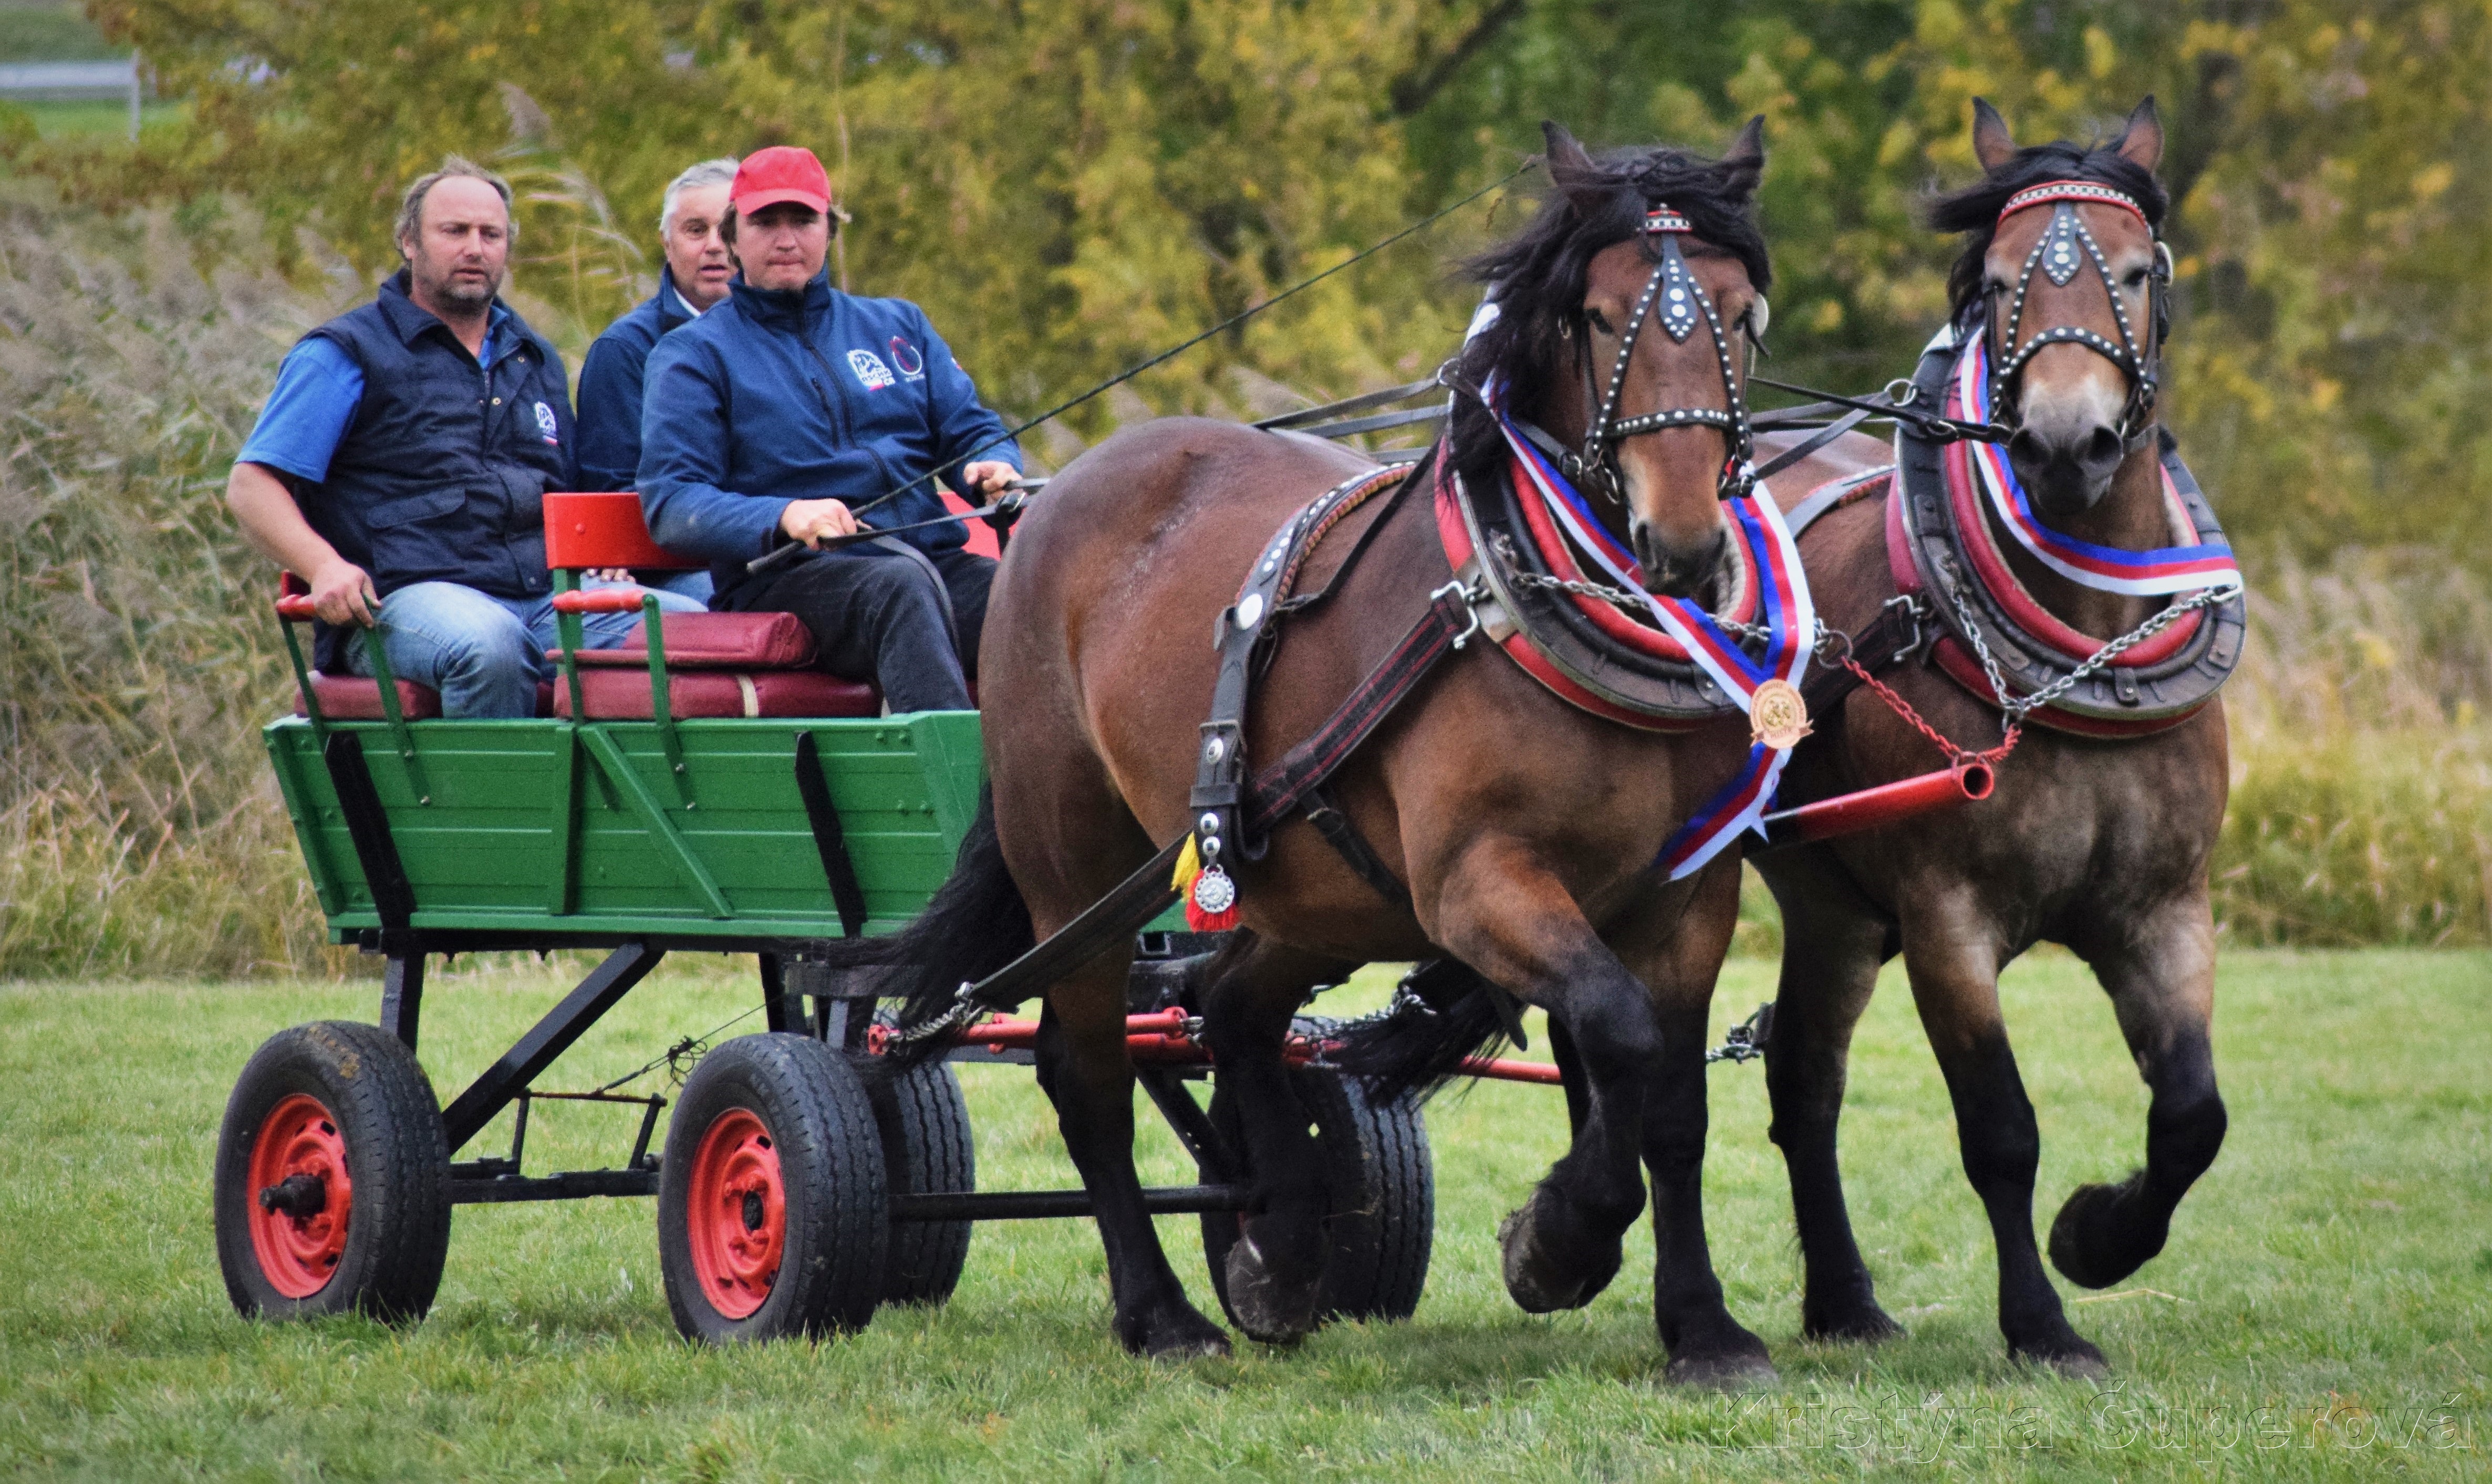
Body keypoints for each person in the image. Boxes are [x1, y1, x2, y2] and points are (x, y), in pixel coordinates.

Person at [225, 156, 701, 718]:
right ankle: (489, 808)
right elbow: (251, 486)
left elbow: (569, 494)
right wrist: (324, 566)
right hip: (400, 603)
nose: (475, 248)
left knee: (698, 631)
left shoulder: (534, 356)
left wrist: (603, 558)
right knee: (491, 644)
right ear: (409, 242)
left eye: (490, 234)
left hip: (543, 597)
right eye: (454, 232)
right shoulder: (346, 353)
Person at [637, 145, 1019, 713]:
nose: (786, 238)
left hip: (929, 560)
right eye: (765, 222)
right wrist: (784, 515)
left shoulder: (897, 325)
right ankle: (957, 791)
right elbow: (671, 504)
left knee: (1028, 596)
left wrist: (989, 464)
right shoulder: (692, 355)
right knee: (898, 591)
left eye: (803, 220)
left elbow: (970, 428)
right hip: (791, 577)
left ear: (829, 231)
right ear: (734, 237)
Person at [576, 155, 743, 602]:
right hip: (676, 567)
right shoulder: (626, 351)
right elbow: (613, 490)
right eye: (695, 230)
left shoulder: (791, 339)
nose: (714, 246)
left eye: (727, 229)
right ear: (667, 243)